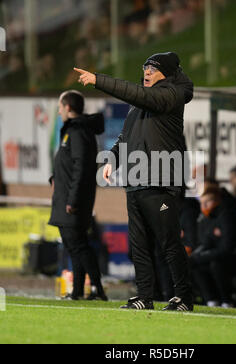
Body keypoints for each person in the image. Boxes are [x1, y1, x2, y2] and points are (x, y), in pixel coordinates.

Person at [74, 51, 194, 311]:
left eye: (153, 69)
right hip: (136, 180)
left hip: (160, 181)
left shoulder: (170, 96)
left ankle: (184, 297)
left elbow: (138, 94)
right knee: (138, 244)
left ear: (167, 73)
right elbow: (125, 138)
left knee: (169, 243)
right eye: (145, 68)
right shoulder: (142, 103)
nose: (146, 73)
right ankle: (144, 296)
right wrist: (112, 161)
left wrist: (98, 80)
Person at [49, 90, 107, 301]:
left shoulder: (78, 131)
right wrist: (55, 177)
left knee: (78, 245)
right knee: (75, 245)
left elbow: (81, 167)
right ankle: (78, 291)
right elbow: (70, 164)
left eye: (60, 106)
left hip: (72, 200)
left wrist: (72, 200)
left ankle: (97, 289)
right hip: (67, 196)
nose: (58, 111)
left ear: (68, 108)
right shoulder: (73, 130)